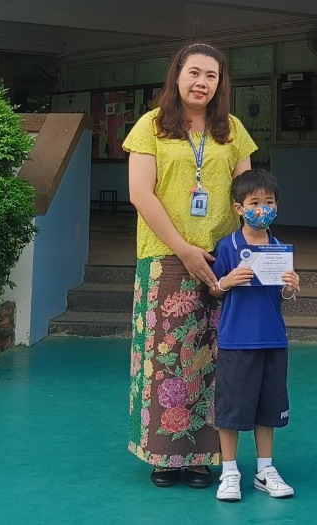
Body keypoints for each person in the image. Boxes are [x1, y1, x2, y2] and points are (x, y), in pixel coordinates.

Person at [124, 43, 257, 489]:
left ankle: (204, 456)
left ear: (221, 83)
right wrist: (183, 249)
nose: (202, 83)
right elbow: (141, 194)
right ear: (177, 76)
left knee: (214, 358)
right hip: (166, 258)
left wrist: (255, 251)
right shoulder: (151, 126)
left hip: (223, 258)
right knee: (166, 358)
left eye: (211, 76)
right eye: (194, 73)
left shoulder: (232, 130)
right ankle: (164, 456)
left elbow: (247, 196)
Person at [209, 168, 300, 502]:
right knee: (231, 410)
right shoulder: (228, 246)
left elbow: (283, 295)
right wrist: (226, 281)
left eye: (269, 202)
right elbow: (214, 289)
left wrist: (291, 287)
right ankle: (229, 471)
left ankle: (265, 470)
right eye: (255, 203)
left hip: (273, 339)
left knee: (268, 409)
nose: (263, 209)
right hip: (236, 341)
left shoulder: (279, 249)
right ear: (239, 208)